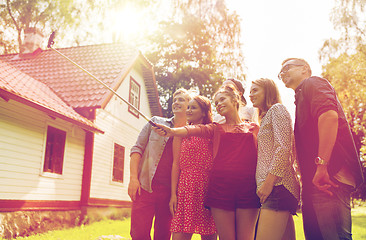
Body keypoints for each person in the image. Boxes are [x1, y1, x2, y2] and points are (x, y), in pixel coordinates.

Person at [153, 85, 260, 240]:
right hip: (221, 190)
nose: (219, 104)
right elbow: (195, 130)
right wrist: (172, 131)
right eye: (216, 102)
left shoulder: (254, 128)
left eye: (222, 99)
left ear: (235, 99)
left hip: (247, 189)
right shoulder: (216, 128)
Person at [278, 58, 364, 240]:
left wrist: (322, 166)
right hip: (318, 178)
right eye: (280, 72)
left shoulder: (313, 83)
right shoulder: (301, 96)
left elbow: (329, 117)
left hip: (329, 177)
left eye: (287, 68)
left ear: (304, 69)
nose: (283, 73)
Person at [128, 88, 191, 240]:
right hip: (145, 188)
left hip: (171, 194)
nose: (176, 102)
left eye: (181, 99)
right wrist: (133, 179)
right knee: (138, 233)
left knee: (163, 235)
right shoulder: (155, 122)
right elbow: (137, 148)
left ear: (189, 105)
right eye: (174, 99)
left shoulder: (192, 132)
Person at [249, 78, 300, 240]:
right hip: (275, 189)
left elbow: (283, 149)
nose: (251, 95)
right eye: (250, 91)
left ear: (268, 91)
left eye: (255, 90)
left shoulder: (277, 110)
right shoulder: (265, 118)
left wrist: (268, 183)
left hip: (277, 187)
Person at [170, 95, 217, 240]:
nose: (188, 110)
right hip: (185, 187)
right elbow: (176, 164)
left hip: (206, 187)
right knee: (179, 235)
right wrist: (173, 194)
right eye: (188, 107)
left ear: (204, 112)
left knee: (208, 235)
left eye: (193, 107)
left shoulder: (213, 132)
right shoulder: (181, 132)